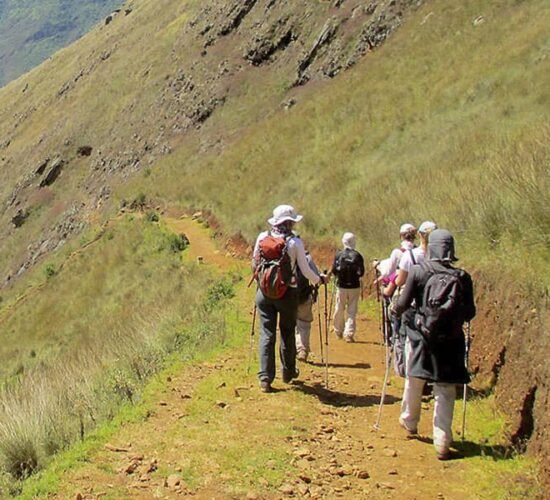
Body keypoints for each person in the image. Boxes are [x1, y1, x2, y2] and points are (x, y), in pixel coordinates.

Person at [392, 229, 476, 459]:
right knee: (446, 388)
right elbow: (470, 312)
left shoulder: (419, 271)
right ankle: (442, 440)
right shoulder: (462, 277)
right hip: (452, 341)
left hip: (421, 337)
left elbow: (402, 303)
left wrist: (395, 308)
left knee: (415, 378)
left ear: (431, 247)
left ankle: (409, 422)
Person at [253, 205, 326, 393]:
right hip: (288, 293)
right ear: (290, 223)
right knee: (287, 331)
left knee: (267, 333)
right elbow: (305, 269)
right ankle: (288, 371)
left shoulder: (262, 238)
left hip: (264, 292)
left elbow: (254, 263)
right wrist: (319, 280)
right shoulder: (294, 243)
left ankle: (265, 378)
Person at [393, 221, 438, 376]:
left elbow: (399, 281)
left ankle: (411, 373)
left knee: (409, 338)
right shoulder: (439, 258)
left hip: (412, 304)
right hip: (434, 305)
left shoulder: (410, 256)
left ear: (420, 235)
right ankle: (429, 373)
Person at [331, 232, 365, 342]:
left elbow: (334, 270)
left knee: (339, 307)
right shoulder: (358, 255)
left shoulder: (339, 255)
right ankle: (349, 334)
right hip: (354, 287)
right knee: (352, 310)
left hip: (341, 286)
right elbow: (362, 272)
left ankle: (338, 331)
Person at [295, 251, 320, 362]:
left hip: (286, 298)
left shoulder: (283, 256)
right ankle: (302, 350)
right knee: (304, 324)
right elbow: (316, 278)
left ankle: (292, 349)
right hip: (303, 296)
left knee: (289, 324)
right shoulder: (307, 258)